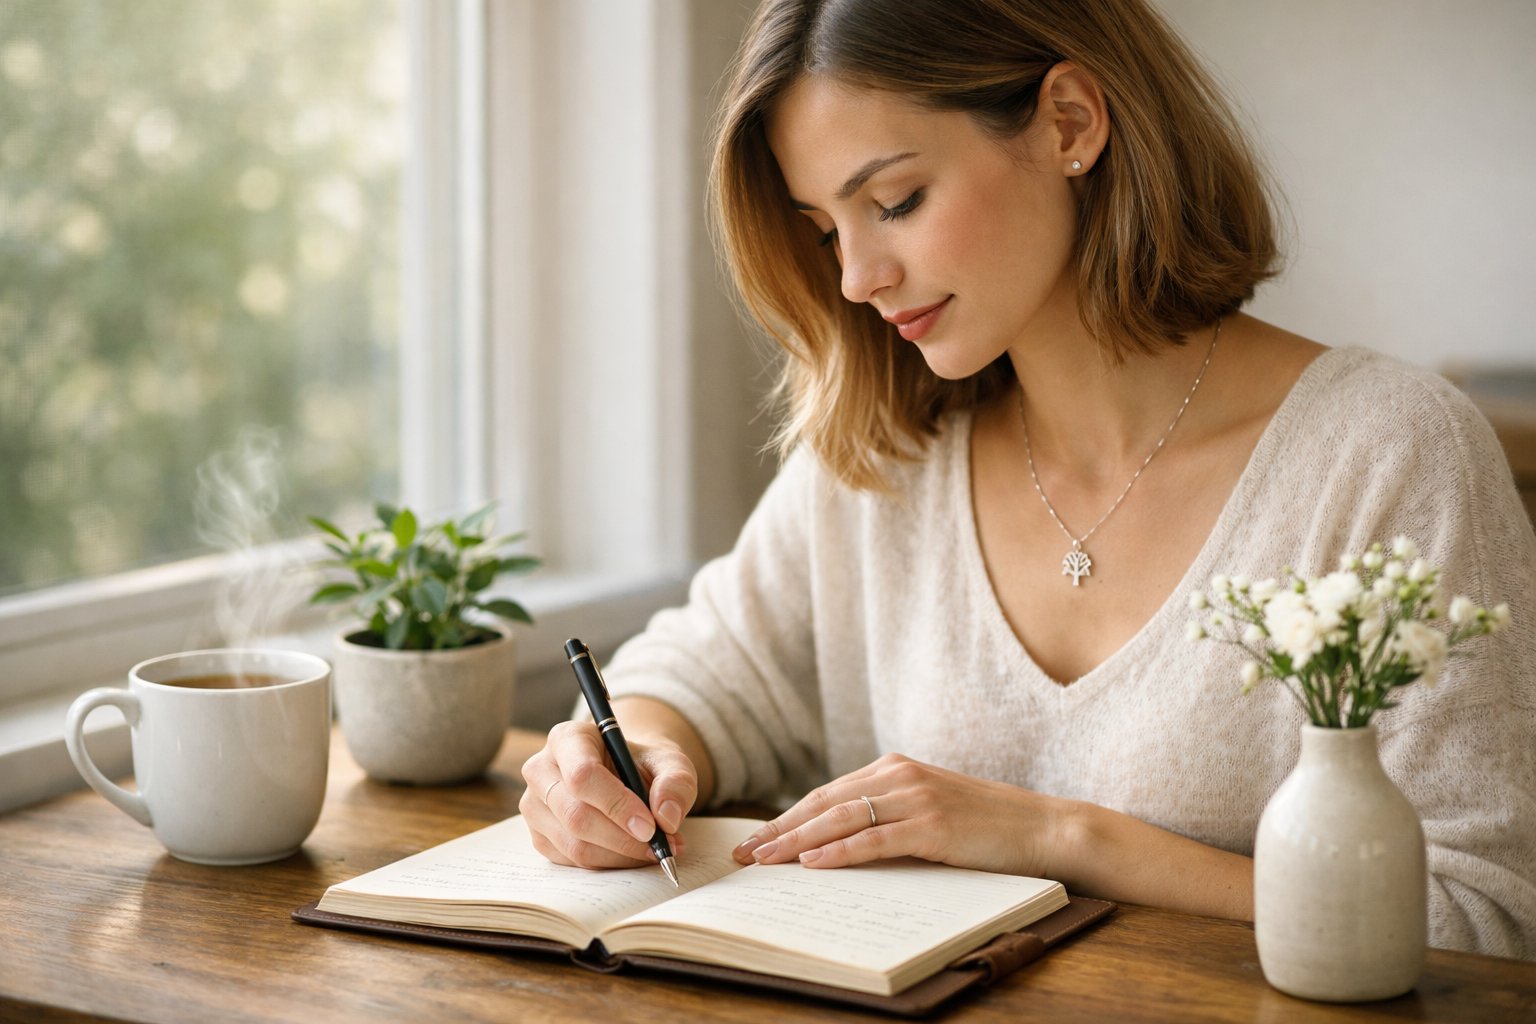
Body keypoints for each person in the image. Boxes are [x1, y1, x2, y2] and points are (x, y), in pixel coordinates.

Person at [519, 0, 1536, 958]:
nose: (855, 277)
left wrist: (1061, 837)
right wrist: (618, 757)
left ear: (1069, 122)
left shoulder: (1385, 455)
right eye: (827, 228)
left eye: (895, 201)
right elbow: (697, 679)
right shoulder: (885, 457)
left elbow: (1486, 915)